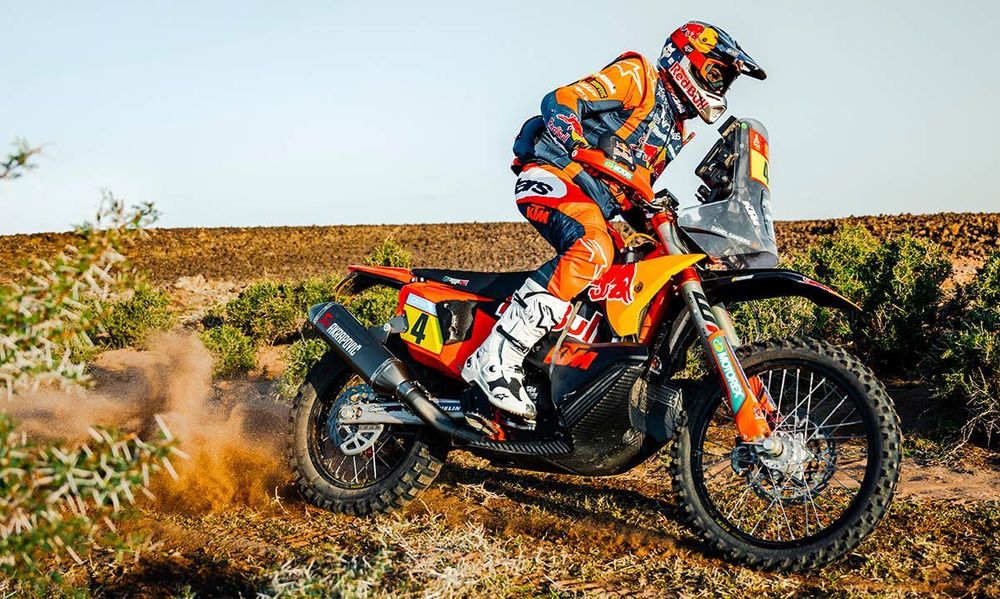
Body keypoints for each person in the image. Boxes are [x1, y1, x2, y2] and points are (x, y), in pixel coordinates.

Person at [462, 21, 766, 422]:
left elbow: (629, 190)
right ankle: (497, 356)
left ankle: (563, 373)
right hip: (554, 174)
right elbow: (561, 99)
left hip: (592, 202)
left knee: (628, 270)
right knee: (593, 248)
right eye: (716, 73)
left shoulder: (675, 131)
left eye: (725, 80)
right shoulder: (639, 77)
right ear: (686, 58)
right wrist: (576, 142)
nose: (720, 86)